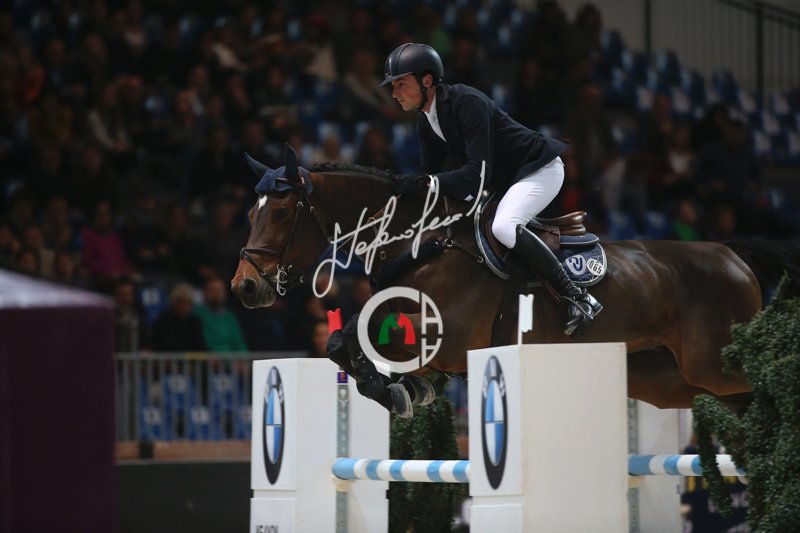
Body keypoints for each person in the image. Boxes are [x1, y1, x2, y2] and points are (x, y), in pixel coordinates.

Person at [382, 43, 601, 337]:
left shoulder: (466, 102)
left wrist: (426, 184)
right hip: (505, 181)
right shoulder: (426, 121)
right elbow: (431, 177)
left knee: (504, 226)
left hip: (538, 169)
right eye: (393, 86)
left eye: (401, 84)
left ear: (427, 80)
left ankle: (577, 297)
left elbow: (475, 174)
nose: (394, 93)